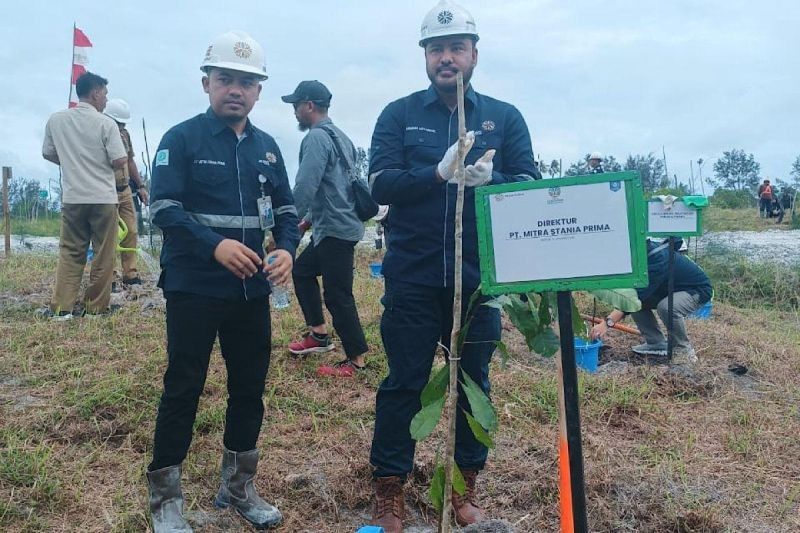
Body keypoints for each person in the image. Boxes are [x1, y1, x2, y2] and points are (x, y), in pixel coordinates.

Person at [366, 1, 539, 530]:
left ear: (474, 55)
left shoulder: (504, 118)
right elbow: (379, 184)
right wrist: (437, 175)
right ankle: (390, 485)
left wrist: (495, 183)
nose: (447, 58)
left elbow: (530, 186)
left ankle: (464, 485)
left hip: (480, 279)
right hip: (414, 274)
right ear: (425, 56)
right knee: (405, 381)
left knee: (474, 382)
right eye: (436, 49)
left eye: (456, 48)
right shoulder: (399, 115)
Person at [146, 30, 299, 532]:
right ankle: (166, 500)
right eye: (225, 79)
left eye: (246, 82)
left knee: (249, 386)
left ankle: (238, 488)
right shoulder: (181, 139)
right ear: (206, 83)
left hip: (251, 290)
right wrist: (214, 245)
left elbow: (287, 210)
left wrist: (287, 253)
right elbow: (164, 208)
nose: (235, 89)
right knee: (184, 385)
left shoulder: (268, 149)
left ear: (258, 91)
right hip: (194, 286)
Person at [281, 80, 370, 378]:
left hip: (335, 229)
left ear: (308, 105)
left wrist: (288, 221)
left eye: (296, 106)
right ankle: (319, 336)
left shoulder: (316, 138)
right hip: (335, 224)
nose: (294, 112)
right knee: (302, 271)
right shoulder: (341, 136)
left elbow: (306, 185)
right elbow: (334, 187)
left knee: (338, 294)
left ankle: (356, 360)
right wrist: (307, 222)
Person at [42, 72, 128, 320]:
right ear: (95, 92)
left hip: (73, 197)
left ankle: (62, 308)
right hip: (103, 198)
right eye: (105, 93)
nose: (106, 99)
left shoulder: (56, 120)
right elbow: (120, 159)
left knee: (70, 251)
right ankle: (96, 308)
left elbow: (48, 153)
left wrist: (72, 162)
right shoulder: (106, 123)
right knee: (103, 252)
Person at [591, 238, 713, 365]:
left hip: (696, 290)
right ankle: (656, 344)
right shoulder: (639, 256)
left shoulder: (656, 258)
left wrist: (606, 323)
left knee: (666, 307)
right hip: (667, 289)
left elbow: (634, 297)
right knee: (637, 305)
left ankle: (683, 350)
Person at [104, 98, 149, 285]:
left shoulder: (125, 135)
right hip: (106, 191)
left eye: (123, 124)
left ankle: (130, 273)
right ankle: (110, 275)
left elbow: (130, 161)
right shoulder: (101, 133)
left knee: (131, 230)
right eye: (118, 123)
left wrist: (140, 186)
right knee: (109, 235)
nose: (121, 126)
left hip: (125, 190)